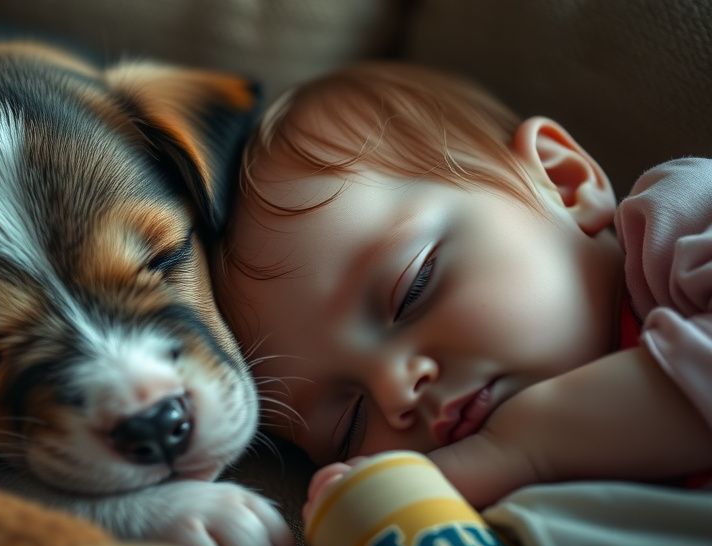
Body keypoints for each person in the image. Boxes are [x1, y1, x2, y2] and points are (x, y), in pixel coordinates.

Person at [213, 61, 712, 509]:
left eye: (414, 289)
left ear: (562, 181)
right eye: (350, 426)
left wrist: (526, 446)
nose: (396, 390)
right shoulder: (500, 516)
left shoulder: (680, 227)